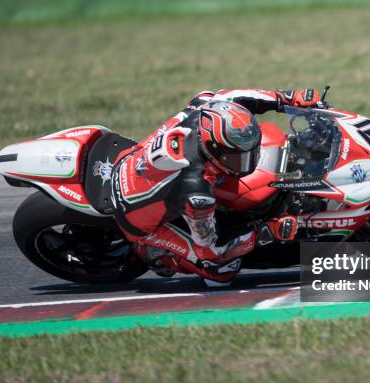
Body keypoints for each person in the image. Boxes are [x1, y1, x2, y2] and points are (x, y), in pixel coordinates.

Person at [111, 88, 321, 286]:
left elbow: (233, 96)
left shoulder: (204, 109)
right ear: (213, 150)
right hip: (135, 220)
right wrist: (266, 232)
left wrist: (287, 98)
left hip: (133, 163)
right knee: (222, 269)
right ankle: (156, 255)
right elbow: (210, 246)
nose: (248, 161)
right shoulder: (196, 190)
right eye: (239, 157)